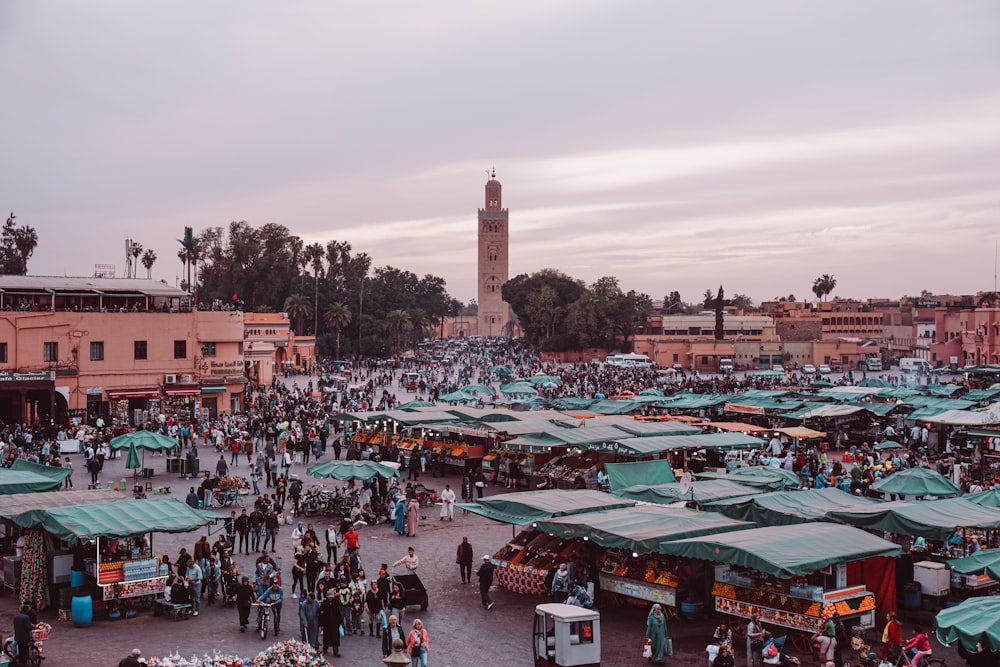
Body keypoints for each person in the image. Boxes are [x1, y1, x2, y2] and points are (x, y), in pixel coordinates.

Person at [319, 590, 342, 657]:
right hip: (327, 623)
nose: (330, 598)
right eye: (329, 597)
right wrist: (321, 623)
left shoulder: (336, 602)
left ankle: (335, 650)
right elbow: (321, 613)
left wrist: (339, 621)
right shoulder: (324, 603)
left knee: (335, 637)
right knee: (326, 637)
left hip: (335, 623)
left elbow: (338, 612)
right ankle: (325, 649)